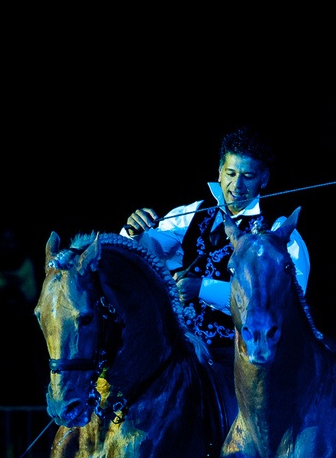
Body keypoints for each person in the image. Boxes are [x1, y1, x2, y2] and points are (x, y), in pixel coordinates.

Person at [122, 127, 310, 371]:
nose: (237, 185)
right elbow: (152, 252)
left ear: (263, 179)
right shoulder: (194, 212)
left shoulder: (278, 232)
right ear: (219, 172)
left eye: (248, 176)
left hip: (238, 359)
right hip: (179, 347)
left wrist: (202, 288)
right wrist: (135, 233)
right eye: (231, 173)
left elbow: (287, 299)